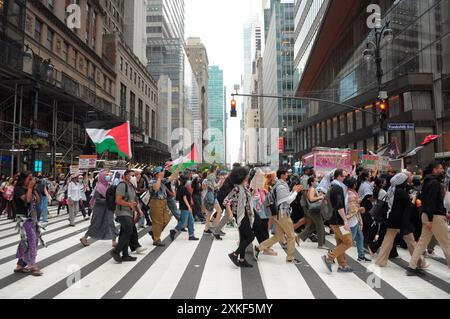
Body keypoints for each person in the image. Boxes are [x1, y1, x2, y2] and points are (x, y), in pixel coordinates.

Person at [407, 162, 450, 276]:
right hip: (434, 217)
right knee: (447, 244)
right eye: (440, 168)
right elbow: (431, 202)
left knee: (422, 243)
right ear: (434, 170)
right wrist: (431, 219)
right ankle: (412, 266)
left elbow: (427, 201)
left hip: (428, 215)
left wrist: (442, 214)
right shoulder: (435, 183)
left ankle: (412, 266)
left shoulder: (426, 182)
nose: (442, 170)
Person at [375, 172, 426, 268]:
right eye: (405, 180)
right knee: (411, 242)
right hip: (402, 221)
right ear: (401, 182)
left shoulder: (392, 190)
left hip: (391, 219)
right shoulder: (401, 192)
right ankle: (420, 262)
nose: (407, 182)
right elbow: (409, 206)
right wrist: (413, 199)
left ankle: (380, 261)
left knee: (387, 242)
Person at [255, 168, 303, 264]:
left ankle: (258, 248)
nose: (288, 175)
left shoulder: (280, 185)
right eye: (286, 173)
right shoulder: (281, 186)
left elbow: (284, 198)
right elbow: (287, 200)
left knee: (278, 236)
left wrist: (293, 191)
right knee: (291, 236)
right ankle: (290, 257)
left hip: (279, 214)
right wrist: (295, 192)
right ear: (282, 175)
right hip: (283, 214)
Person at [321, 169, 354, 273]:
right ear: (339, 176)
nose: (346, 178)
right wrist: (345, 220)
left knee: (340, 242)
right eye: (344, 176)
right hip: (339, 221)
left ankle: (342, 265)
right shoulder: (338, 188)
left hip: (333, 220)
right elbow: (339, 206)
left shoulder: (332, 187)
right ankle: (329, 258)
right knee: (348, 242)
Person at [225, 167, 256, 268]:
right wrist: (229, 213)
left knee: (243, 237)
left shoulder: (244, 188)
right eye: (246, 175)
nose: (247, 176)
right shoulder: (237, 188)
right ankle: (234, 254)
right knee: (250, 237)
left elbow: (247, 199)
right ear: (242, 177)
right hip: (240, 215)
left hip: (245, 214)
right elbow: (226, 200)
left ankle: (242, 260)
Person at [13, 172, 42, 276]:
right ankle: (32, 265)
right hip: (23, 218)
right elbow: (27, 200)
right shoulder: (18, 189)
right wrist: (30, 188)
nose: (31, 180)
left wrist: (34, 189)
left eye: (32, 179)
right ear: (23, 179)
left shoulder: (30, 189)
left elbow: (38, 201)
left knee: (25, 241)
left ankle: (20, 265)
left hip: (32, 218)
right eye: (29, 178)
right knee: (32, 240)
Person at [110, 170, 143, 263]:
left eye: (135, 175)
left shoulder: (131, 187)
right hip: (122, 212)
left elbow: (135, 202)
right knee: (128, 230)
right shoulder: (122, 185)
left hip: (129, 213)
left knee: (125, 232)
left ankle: (125, 255)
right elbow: (118, 200)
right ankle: (116, 251)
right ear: (125, 176)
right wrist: (129, 204)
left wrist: (139, 211)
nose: (134, 177)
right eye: (131, 175)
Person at [80, 171, 117, 247]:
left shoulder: (109, 186)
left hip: (108, 208)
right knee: (96, 224)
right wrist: (108, 200)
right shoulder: (98, 187)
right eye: (106, 175)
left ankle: (114, 241)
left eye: (108, 175)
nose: (108, 176)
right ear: (102, 177)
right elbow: (97, 199)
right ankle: (84, 237)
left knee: (110, 222)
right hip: (99, 209)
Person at [149, 166, 180, 247]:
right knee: (157, 222)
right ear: (156, 174)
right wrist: (159, 178)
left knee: (167, 218)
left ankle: (155, 232)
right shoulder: (152, 181)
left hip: (163, 202)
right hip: (155, 202)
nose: (163, 173)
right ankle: (156, 240)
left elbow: (172, 177)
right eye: (161, 172)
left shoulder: (162, 180)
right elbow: (156, 188)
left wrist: (178, 169)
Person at [297, 176, 327, 250]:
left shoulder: (313, 189)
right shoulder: (312, 189)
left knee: (312, 227)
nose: (317, 182)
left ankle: (298, 237)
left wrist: (320, 195)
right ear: (312, 182)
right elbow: (311, 199)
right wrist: (320, 197)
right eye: (316, 181)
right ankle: (321, 244)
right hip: (314, 211)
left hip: (314, 210)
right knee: (320, 226)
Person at [346, 177, 371, 262]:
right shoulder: (351, 194)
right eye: (355, 183)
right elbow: (352, 208)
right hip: (352, 220)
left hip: (355, 219)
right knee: (348, 241)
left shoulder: (350, 192)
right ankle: (332, 254)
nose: (357, 185)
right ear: (353, 185)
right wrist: (360, 209)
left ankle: (361, 255)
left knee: (360, 237)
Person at [170, 175, 199, 241]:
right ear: (185, 180)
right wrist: (189, 207)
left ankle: (191, 235)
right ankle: (173, 231)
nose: (188, 181)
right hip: (184, 207)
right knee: (183, 222)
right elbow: (184, 198)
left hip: (186, 207)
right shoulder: (182, 188)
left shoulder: (182, 187)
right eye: (187, 180)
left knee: (191, 221)